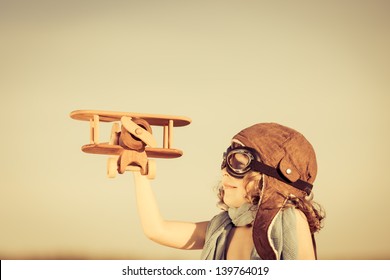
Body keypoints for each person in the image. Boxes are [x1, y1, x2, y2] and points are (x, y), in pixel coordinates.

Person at [132, 122, 325, 260]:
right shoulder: (224, 227)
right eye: (226, 161)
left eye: (238, 163)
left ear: (273, 179)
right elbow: (156, 230)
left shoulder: (292, 221)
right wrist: (139, 169)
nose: (224, 171)